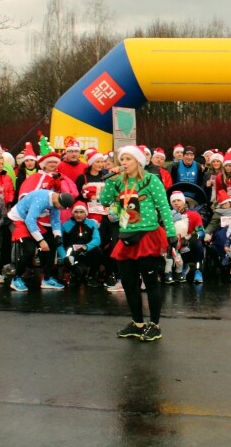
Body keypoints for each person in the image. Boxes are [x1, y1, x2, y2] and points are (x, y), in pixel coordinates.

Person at [99, 146, 175, 342]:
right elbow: (105, 200)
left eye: (128, 159)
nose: (123, 162)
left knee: (150, 283)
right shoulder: (119, 182)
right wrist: (111, 182)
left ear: (138, 162)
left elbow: (163, 206)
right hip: (126, 235)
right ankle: (137, 322)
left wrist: (171, 232)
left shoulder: (151, 180)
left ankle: (155, 325)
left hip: (147, 235)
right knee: (128, 283)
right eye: (121, 159)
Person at [9, 189, 74, 292]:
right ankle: (16, 278)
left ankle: (47, 278)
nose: (60, 209)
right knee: (30, 249)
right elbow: (30, 220)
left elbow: (55, 220)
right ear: (58, 200)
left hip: (31, 221)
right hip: (19, 220)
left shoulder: (56, 203)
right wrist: (40, 241)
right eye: (61, 207)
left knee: (52, 244)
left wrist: (57, 235)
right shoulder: (41, 199)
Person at [58, 204, 102, 286]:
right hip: (72, 254)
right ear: (73, 213)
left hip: (86, 251)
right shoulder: (65, 225)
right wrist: (64, 258)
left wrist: (86, 247)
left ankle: (91, 277)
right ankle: (73, 274)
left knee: (97, 251)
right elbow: (59, 244)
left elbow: (97, 239)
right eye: (76, 212)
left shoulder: (91, 223)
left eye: (81, 212)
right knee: (78, 274)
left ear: (86, 213)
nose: (79, 215)